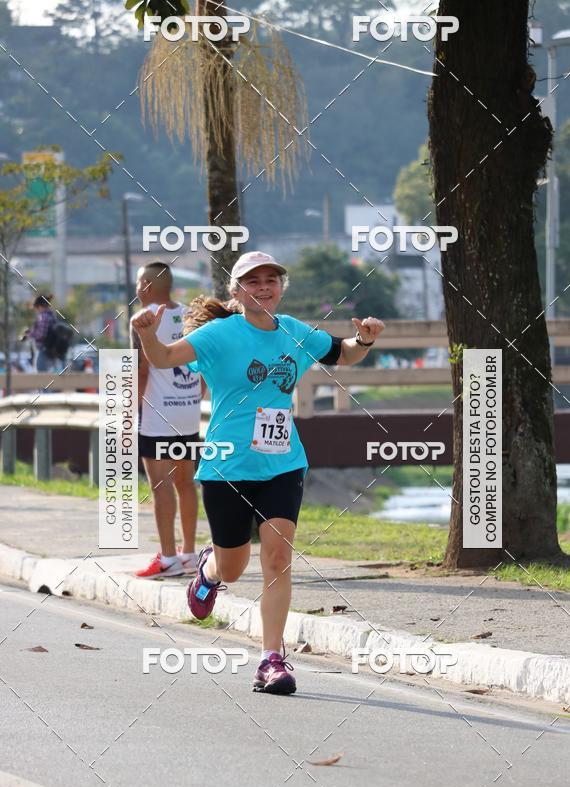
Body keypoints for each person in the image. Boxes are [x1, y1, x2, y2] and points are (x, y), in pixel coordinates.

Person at [131, 250, 385, 695]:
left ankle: (272, 660)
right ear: (237, 291)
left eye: (271, 279)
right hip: (228, 465)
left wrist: (363, 340)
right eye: (253, 281)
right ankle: (209, 571)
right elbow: (168, 357)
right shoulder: (219, 334)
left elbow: (342, 354)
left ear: (281, 287)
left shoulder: (295, 332)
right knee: (234, 567)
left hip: (283, 464)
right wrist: (148, 338)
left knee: (277, 558)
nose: (264, 286)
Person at [130, 262, 203, 578]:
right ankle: (188, 553)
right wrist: (195, 394)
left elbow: (143, 369)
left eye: (137, 282)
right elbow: (204, 363)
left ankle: (169, 558)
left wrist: (132, 410)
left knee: (160, 486)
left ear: (145, 285)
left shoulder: (144, 320)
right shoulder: (191, 316)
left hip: (158, 415)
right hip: (187, 412)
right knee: (185, 483)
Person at [20, 294, 66, 373]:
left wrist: (29, 335)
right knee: (51, 375)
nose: (36, 310)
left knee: (41, 375)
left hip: (44, 350)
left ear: (40, 306)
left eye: (36, 308)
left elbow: (42, 334)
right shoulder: (52, 315)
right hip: (52, 350)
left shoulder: (43, 317)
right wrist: (32, 332)